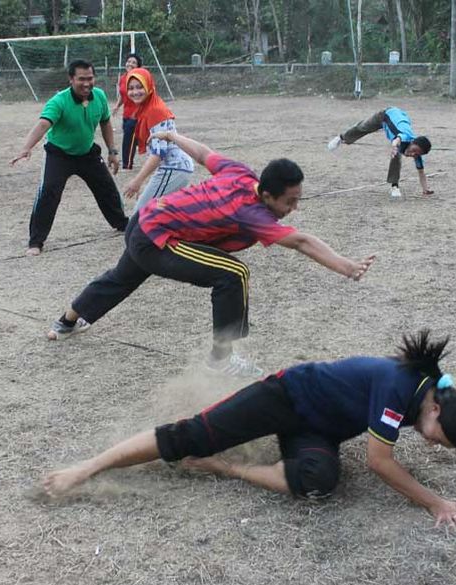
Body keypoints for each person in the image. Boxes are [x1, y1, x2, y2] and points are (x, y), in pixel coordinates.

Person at [41, 330, 456, 529]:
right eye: (438, 438)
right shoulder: (399, 387)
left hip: (318, 430)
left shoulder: (438, 392)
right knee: (186, 436)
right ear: (435, 411)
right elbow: (380, 463)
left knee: (319, 482)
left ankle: (226, 468)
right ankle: (87, 466)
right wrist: (436, 502)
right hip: (284, 397)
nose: (431, 442)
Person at [45, 131, 376, 378]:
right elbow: (302, 242)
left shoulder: (240, 174)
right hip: (156, 236)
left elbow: (203, 154)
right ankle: (221, 359)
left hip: (144, 221)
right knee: (233, 274)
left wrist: (173, 135)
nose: (293, 208)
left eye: (297, 200)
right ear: (267, 194)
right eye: (288, 202)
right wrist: (346, 266)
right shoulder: (253, 213)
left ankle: (65, 322)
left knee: (121, 278)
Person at [11, 59, 129, 256]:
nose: (86, 83)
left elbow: (106, 123)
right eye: (81, 79)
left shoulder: (98, 96)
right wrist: (26, 148)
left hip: (87, 153)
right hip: (59, 154)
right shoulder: (59, 101)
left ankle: (122, 223)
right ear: (71, 79)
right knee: (49, 191)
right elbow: (42, 124)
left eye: (90, 78)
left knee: (106, 187)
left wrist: (112, 151)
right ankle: (36, 241)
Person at [120, 68, 194, 212]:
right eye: (131, 88)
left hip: (174, 167)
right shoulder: (147, 108)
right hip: (174, 167)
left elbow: (158, 154)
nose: (135, 92)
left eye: (140, 86)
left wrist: (137, 181)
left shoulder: (155, 110)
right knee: (164, 214)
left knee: (140, 215)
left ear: (149, 85)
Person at [326, 107, 432, 199]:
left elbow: (421, 172)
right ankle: (341, 137)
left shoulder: (417, 154)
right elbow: (397, 139)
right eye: (414, 150)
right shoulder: (406, 136)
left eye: (417, 154)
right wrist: (394, 147)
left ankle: (394, 186)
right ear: (412, 142)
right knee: (363, 127)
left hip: (400, 118)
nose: (413, 154)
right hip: (385, 115)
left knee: (396, 157)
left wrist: (425, 189)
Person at [114, 53, 142, 170]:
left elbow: (145, 96)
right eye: (129, 61)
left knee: (128, 140)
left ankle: (127, 164)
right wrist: (117, 106)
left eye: (133, 62)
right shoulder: (123, 78)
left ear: (138, 66)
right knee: (132, 140)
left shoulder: (139, 79)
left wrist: (138, 112)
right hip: (126, 115)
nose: (130, 64)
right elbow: (122, 95)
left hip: (136, 116)